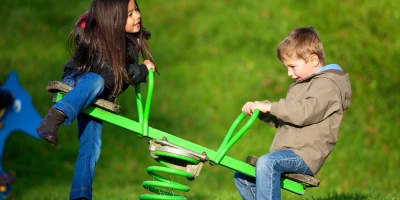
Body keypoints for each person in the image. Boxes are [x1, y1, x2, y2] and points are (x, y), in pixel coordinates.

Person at [36, 0, 156, 199]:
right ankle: (54, 117)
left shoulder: (128, 41)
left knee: (92, 145)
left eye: (136, 10)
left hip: (96, 97)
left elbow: (119, 80)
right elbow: (110, 76)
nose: (137, 16)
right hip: (78, 82)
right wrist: (141, 70)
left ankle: (80, 195)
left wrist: (137, 70)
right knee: (96, 80)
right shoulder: (99, 39)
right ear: (112, 19)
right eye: (129, 14)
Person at [233, 27, 352, 200]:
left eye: (292, 67)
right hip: (289, 151)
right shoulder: (304, 84)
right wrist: (263, 111)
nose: (289, 73)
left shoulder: (328, 86)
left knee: (268, 163)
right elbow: (287, 117)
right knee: (243, 176)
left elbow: (304, 112)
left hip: (305, 154)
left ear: (313, 60)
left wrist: (272, 107)